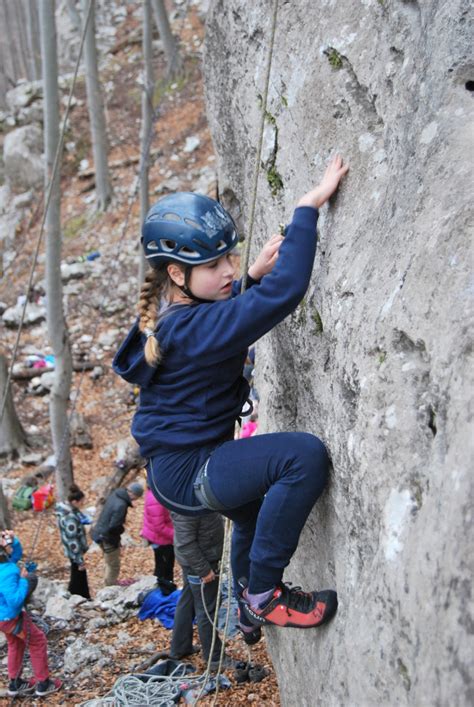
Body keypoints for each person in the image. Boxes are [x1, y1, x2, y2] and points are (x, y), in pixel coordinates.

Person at [113, 156, 349, 643]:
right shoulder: (194, 326)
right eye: (214, 265)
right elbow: (285, 293)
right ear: (177, 275)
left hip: (176, 469)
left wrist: (249, 281)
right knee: (303, 456)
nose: (227, 270)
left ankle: (246, 610)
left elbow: (225, 322)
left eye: (228, 259)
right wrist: (307, 208)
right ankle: (264, 594)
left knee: (253, 513)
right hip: (191, 468)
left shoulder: (177, 318)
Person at [0, 531, 62, 697]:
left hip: (3, 618)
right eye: (3, 540)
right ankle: (43, 683)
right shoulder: (6, 572)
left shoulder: (5, 566)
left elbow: (14, 556)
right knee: (37, 640)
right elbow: (14, 600)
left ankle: (15, 683)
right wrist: (24, 580)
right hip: (10, 617)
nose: (5, 540)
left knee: (15, 643)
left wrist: (13, 541)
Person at [169, 511, 230, 669]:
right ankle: (215, 657)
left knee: (187, 602)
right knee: (207, 609)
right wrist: (203, 570)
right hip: (201, 563)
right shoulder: (185, 508)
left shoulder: (190, 498)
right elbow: (186, 543)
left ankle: (180, 647)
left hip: (196, 561)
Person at [91, 482, 144, 586]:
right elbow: (114, 526)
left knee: (108, 561)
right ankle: (109, 587)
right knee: (113, 564)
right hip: (108, 537)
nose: (135, 500)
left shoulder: (115, 494)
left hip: (98, 532)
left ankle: (107, 581)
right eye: (137, 497)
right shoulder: (122, 505)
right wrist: (121, 530)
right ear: (134, 494)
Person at [55, 484, 91, 599]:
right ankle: (79, 597)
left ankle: (80, 596)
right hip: (75, 552)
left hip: (73, 552)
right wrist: (79, 560)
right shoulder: (70, 518)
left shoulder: (67, 512)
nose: (82, 504)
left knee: (78, 575)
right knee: (78, 576)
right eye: (81, 502)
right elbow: (73, 541)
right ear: (75, 502)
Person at [141, 488, 176, 594]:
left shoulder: (155, 493)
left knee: (163, 566)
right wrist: (176, 535)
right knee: (164, 568)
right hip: (161, 540)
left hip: (160, 537)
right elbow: (159, 526)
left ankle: (165, 590)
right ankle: (163, 593)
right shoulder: (157, 500)